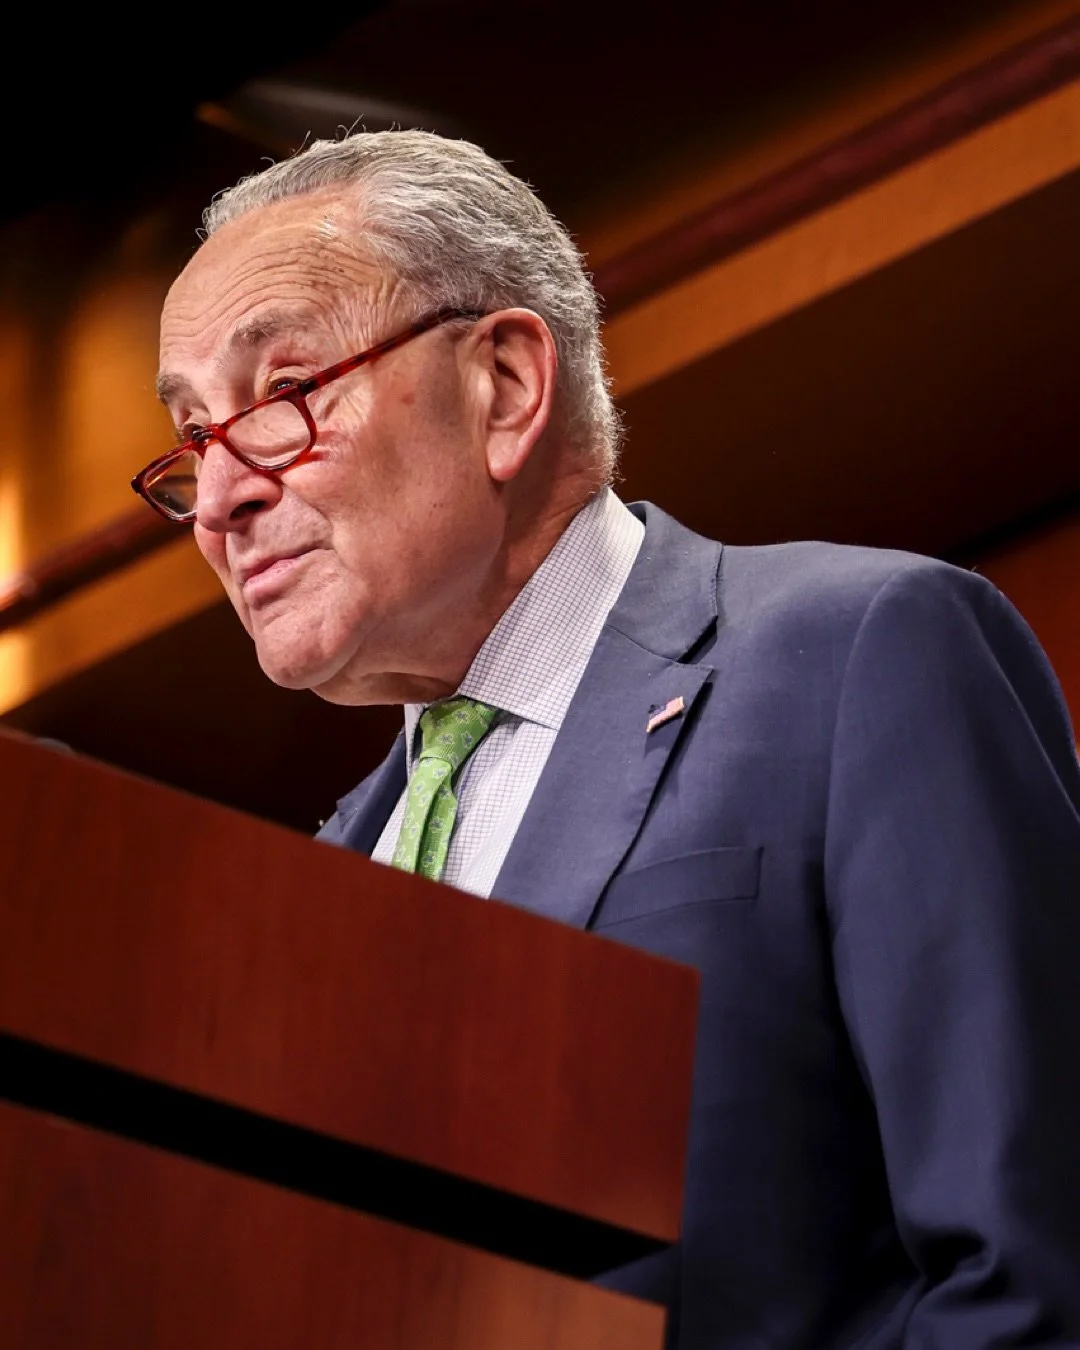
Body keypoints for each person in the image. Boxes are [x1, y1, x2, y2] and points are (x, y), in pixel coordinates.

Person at [135, 130, 1080, 1347]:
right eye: (195, 440)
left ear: (507, 387)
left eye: (281, 397)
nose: (218, 501)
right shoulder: (310, 894)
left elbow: (1032, 1275)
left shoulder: (860, 660)